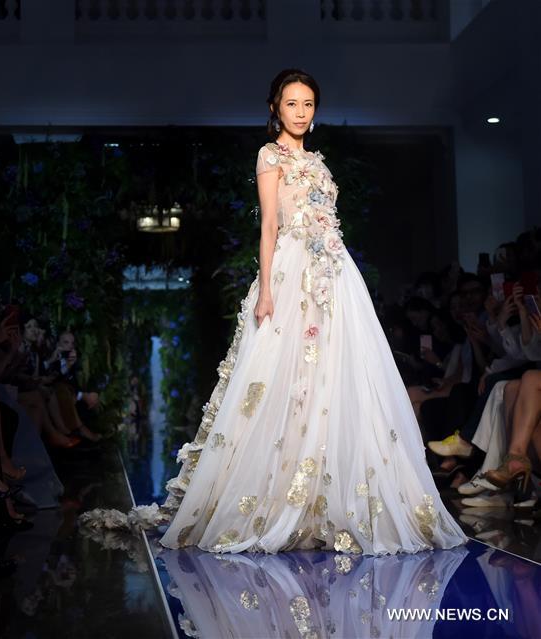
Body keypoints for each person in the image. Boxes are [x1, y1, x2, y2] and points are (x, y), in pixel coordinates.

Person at [80, 68, 467, 555]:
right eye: (291, 104)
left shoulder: (318, 161)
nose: (300, 113)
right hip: (291, 273)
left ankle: (332, 499)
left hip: (335, 277)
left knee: (337, 378)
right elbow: (269, 226)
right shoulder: (270, 155)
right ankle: (280, 498)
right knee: (283, 378)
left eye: (308, 104)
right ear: (274, 108)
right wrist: (266, 291)